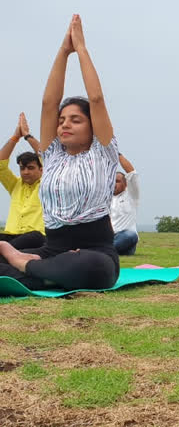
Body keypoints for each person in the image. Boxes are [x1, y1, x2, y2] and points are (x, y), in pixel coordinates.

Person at [0, 15, 121, 290]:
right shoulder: (52, 154)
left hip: (95, 252)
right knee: (62, 266)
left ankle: (24, 266)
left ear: (93, 127)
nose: (65, 123)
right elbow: (48, 102)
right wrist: (62, 52)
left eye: (76, 120)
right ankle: (43, 272)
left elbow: (97, 99)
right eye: (62, 120)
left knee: (94, 269)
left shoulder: (103, 152)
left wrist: (80, 50)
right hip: (52, 250)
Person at [0, 113, 45, 250]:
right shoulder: (15, 185)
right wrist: (15, 137)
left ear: (41, 169)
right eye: (22, 168)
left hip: (36, 238)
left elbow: (48, 156)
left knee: (30, 239)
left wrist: (27, 136)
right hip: (11, 235)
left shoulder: (47, 184)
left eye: (31, 168)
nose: (25, 172)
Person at [111, 153, 140, 255]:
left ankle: (104, 251)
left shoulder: (131, 195)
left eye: (117, 181)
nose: (114, 184)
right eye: (112, 181)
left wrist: (117, 153)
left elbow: (132, 173)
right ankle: (106, 250)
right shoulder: (104, 198)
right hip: (107, 237)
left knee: (130, 235)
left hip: (124, 238)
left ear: (126, 183)